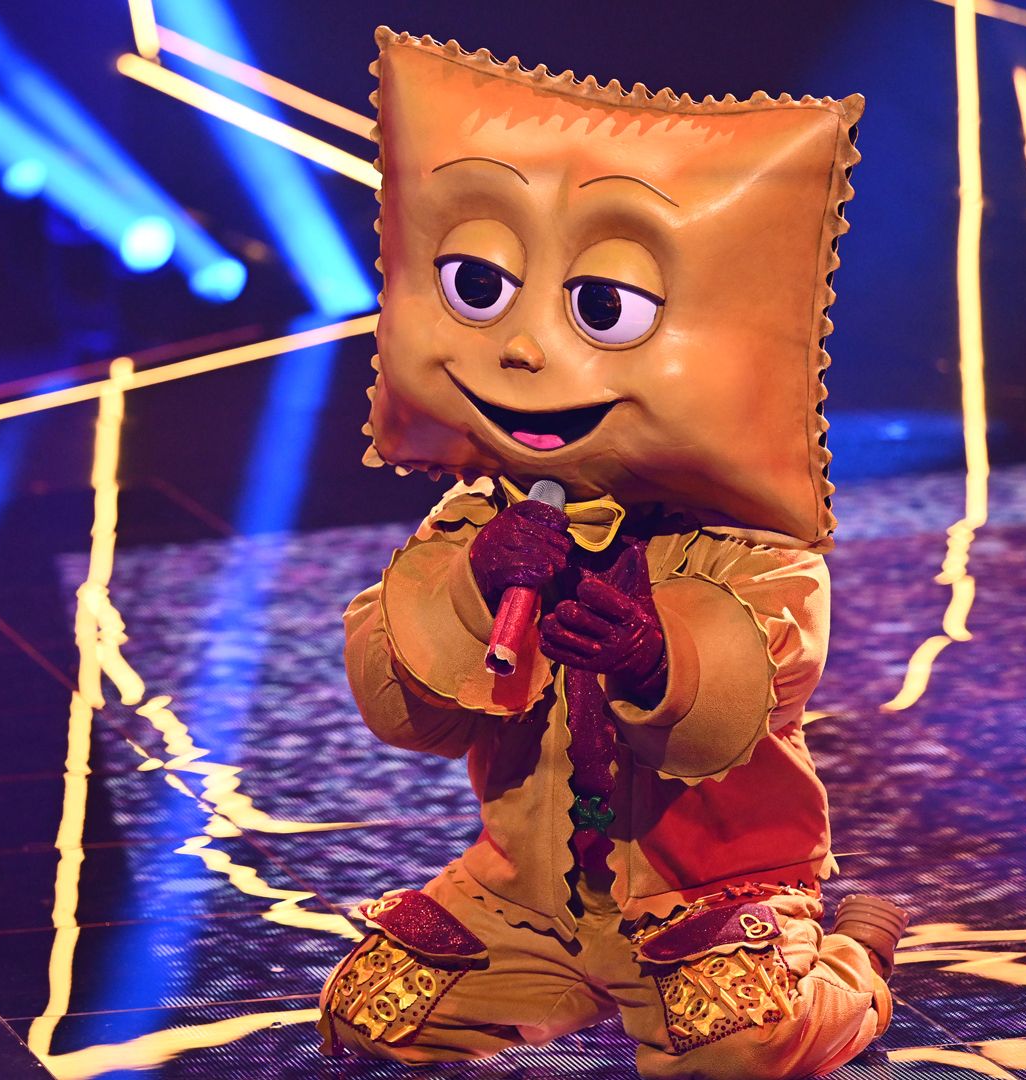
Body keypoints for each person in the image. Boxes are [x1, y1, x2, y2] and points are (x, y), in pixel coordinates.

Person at [319, 30, 909, 1078]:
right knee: (369, 1016)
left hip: (707, 893)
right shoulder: (474, 516)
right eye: (481, 289)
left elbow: (754, 691)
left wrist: (653, 660)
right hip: (521, 899)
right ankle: (566, 982)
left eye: (601, 307)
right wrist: (472, 589)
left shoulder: (747, 541)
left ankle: (852, 961)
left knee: (732, 1057)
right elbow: (405, 714)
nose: (525, 350)